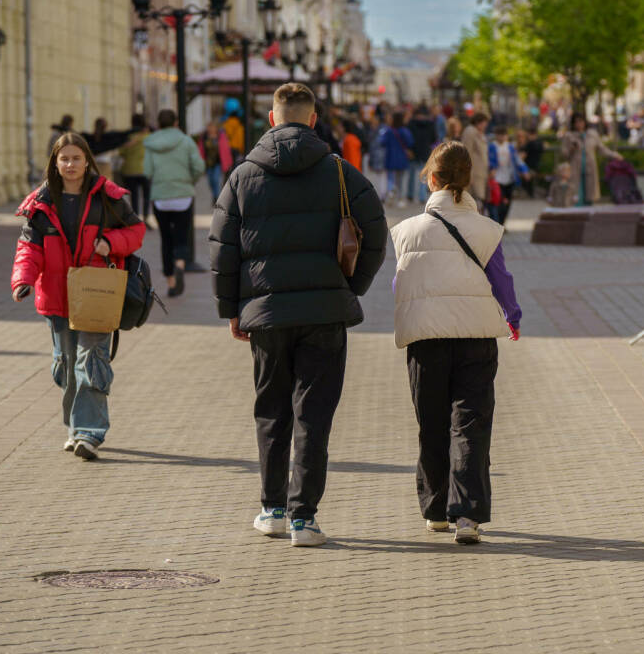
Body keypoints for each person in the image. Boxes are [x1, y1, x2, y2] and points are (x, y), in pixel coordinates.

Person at [210, 82, 387, 546]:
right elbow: (376, 233)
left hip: (266, 313)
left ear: (271, 118)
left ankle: (271, 509)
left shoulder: (243, 176)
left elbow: (223, 248)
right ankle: (303, 518)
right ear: (313, 119)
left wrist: (231, 309)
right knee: (314, 414)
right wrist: (350, 288)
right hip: (325, 312)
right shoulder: (341, 172)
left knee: (271, 411)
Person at [390, 140, 520, 545]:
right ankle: (468, 515)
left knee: (431, 423)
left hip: (426, 339)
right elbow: (501, 279)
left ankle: (435, 510)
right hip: (476, 337)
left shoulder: (407, 231)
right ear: (468, 179)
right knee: (471, 424)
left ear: (431, 179)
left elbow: (400, 284)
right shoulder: (487, 230)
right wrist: (512, 316)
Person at [10, 132, 145, 460]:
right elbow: (29, 247)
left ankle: (89, 431)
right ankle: (74, 426)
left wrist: (111, 243)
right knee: (66, 364)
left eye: (76, 158)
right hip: (57, 295)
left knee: (92, 361)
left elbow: (135, 231)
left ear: (87, 162)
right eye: (64, 159)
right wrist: (22, 280)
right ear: (55, 163)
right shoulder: (42, 203)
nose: (70, 164)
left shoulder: (107, 197)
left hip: (96, 292)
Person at [144, 109, 205, 297]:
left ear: (159, 123)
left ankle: (170, 281)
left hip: (160, 197)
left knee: (166, 239)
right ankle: (180, 263)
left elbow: (147, 171)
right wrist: (189, 181)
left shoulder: (151, 143)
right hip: (183, 196)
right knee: (181, 235)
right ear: (176, 122)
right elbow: (199, 166)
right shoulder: (186, 141)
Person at [560, 111, 622, 207]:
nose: (579, 124)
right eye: (576, 122)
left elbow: (602, 149)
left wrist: (614, 155)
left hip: (589, 167)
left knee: (589, 194)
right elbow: (564, 154)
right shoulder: (569, 136)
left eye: (581, 121)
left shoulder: (592, 134)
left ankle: (587, 210)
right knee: (575, 194)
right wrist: (572, 148)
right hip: (575, 168)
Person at [488, 125, 529, 226]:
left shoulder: (510, 147)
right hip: (497, 179)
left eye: (504, 135)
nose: (502, 137)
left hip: (510, 178)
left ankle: (502, 223)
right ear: (496, 136)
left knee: (508, 203)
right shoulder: (492, 147)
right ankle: (497, 224)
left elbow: (517, 160)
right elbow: (489, 160)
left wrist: (524, 170)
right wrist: (491, 169)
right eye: (500, 135)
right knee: (500, 202)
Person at [117, 114, 152, 227]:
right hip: (145, 170)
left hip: (129, 170)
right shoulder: (148, 137)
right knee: (146, 195)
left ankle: (136, 218)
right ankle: (146, 217)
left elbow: (121, 152)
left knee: (134, 196)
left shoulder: (128, 138)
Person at [378, 111, 415, 207]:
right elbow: (410, 142)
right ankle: (400, 199)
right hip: (402, 158)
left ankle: (391, 190)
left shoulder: (388, 131)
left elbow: (381, 142)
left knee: (390, 178)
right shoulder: (405, 131)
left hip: (390, 157)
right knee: (400, 180)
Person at [408, 105, 438, 202]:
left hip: (413, 152)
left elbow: (407, 139)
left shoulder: (411, 124)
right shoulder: (430, 124)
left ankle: (410, 194)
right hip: (425, 152)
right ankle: (422, 196)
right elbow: (434, 139)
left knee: (412, 176)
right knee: (423, 176)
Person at [198, 119, 233, 201]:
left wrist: (228, 162)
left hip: (218, 163)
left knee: (216, 180)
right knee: (211, 182)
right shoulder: (204, 137)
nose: (211, 129)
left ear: (216, 128)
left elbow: (226, 150)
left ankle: (217, 198)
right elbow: (201, 150)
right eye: (209, 127)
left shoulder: (220, 136)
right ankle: (215, 195)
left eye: (212, 127)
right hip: (208, 163)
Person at [461, 112, 491, 208]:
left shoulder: (479, 133)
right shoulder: (470, 132)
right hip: (474, 172)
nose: (486, 125)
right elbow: (467, 151)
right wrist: (468, 172)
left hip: (481, 172)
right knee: (475, 200)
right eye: (485, 123)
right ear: (479, 122)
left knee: (479, 200)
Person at [222, 97, 246, 162]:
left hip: (228, 150)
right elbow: (241, 140)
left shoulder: (225, 124)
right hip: (236, 150)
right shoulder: (239, 125)